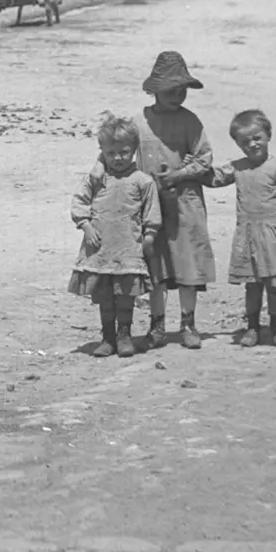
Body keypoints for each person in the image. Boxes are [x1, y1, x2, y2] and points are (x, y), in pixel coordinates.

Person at [93, 50, 215, 349]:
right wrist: (99, 165)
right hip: (148, 207)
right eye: (171, 89)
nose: (177, 95)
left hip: (186, 203)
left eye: (182, 89)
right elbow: (115, 147)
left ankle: (188, 324)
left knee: (187, 268)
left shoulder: (191, 122)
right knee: (155, 268)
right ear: (155, 89)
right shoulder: (139, 122)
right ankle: (157, 327)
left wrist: (179, 174)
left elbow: (205, 159)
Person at [207, 110, 276, 349]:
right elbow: (214, 178)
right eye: (245, 141)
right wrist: (195, 169)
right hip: (247, 234)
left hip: (273, 234)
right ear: (238, 144)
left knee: (275, 285)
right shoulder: (238, 168)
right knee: (252, 284)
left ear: (268, 135)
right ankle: (252, 327)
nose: (252, 144)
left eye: (257, 137)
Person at [69, 113, 160, 358]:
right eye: (111, 153)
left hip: (128, 249)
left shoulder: (143, 181)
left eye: (124, 152)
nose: (118, 158)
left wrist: (149, 237)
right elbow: (79, 202)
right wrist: (86, 226)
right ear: (102, 151)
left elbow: (152, 213)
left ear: (134, 150)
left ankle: (125, 335)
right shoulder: (97, 178)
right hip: (100, 250)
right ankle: (107, 336)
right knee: (106, 298)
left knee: (125, 297)